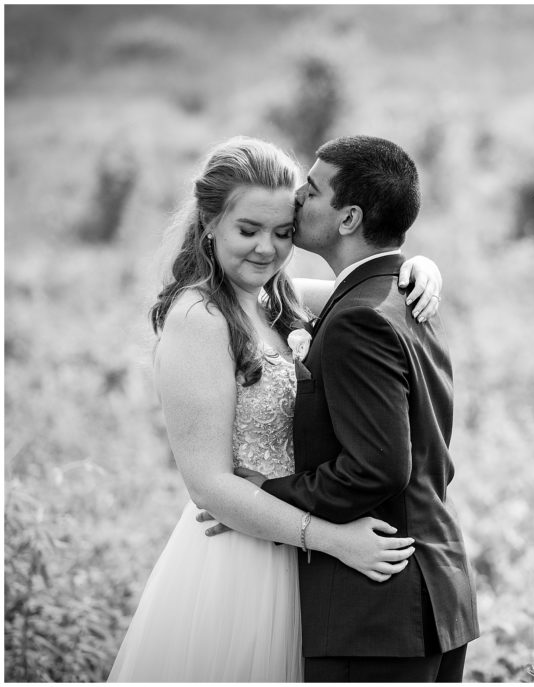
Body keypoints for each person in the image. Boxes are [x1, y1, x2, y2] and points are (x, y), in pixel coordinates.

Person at [107, 136, 445, 682]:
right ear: (210, 222)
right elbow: (209, 486)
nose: (266, 249)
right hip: (245, 556)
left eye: (283, 232)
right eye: (248, 230)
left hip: (304, 556)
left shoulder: (274, 296)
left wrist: (422, 268)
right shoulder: (199, 317)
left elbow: (366, 284)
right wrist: (334, 539)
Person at [217, 135, 479, 682]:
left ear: (348, 217)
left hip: (377, 612)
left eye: (310, 192)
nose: (296, 200)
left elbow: (379, 467)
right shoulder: (403, 294)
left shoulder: (359, 318)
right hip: (435, 595)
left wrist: (266, 490)